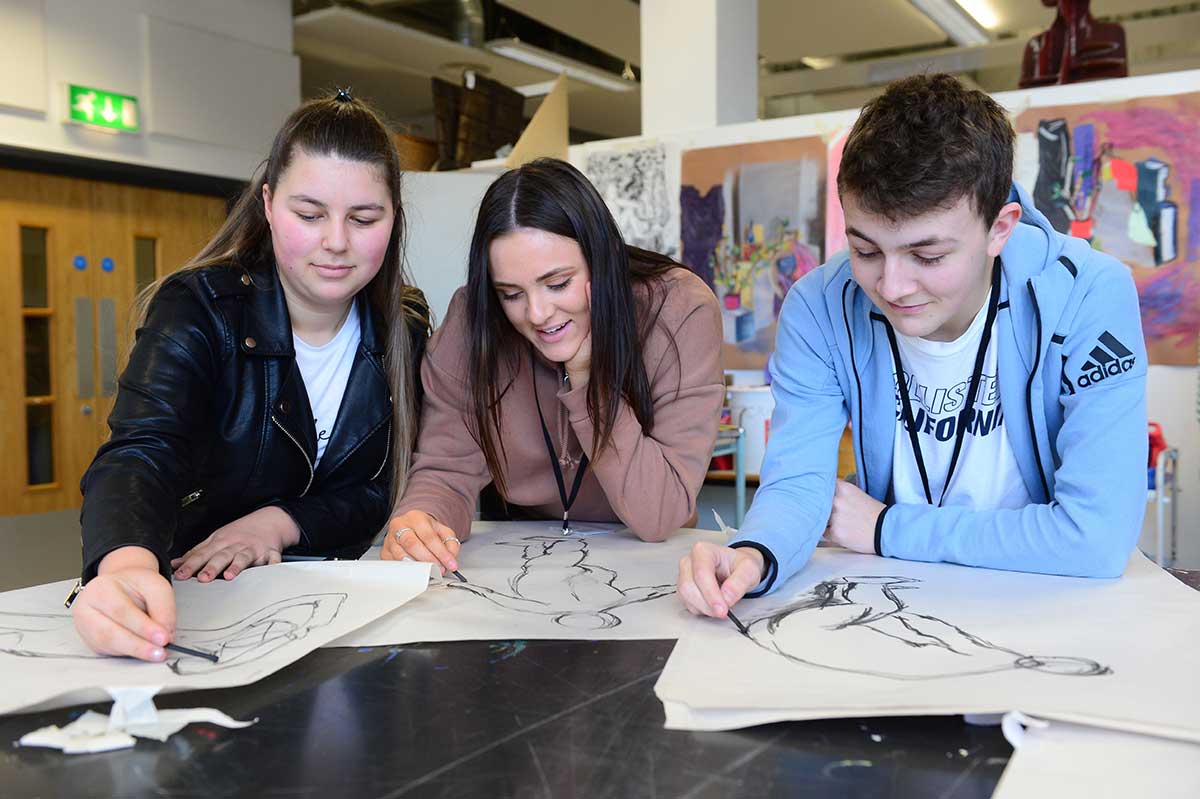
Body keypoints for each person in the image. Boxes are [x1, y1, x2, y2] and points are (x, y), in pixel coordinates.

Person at [678, 73, 1148, 619]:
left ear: (1001, 228)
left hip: (1044, 605)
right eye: (866, 250)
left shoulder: (1090, 295)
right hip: (891, 602)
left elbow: (1094, 536)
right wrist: (754, 554)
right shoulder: (818, 305)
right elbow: (799, 482)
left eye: (927, 256)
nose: (892, 287)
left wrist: (884, 527)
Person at [71, 90, 430, 661]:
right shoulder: (200, 307)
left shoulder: (401, 329)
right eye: (309, 215)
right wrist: (126, 564)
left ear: (393, 219)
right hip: (202, 602)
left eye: (363, 218)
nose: (335, 241)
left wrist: (278, 523)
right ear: (267, 203)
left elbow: (383, 485)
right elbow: (141, 451)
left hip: (342, 614)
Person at [383, 158, 724, 572]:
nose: (538, 313)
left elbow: (660, 514)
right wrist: (423, 521)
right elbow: (445, 473)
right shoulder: (472, 319)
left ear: (602, 259)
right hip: (524, 563)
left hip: (648, 557)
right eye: (510, 293)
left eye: (558, 284)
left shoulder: (679, 309)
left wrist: (587, 378)